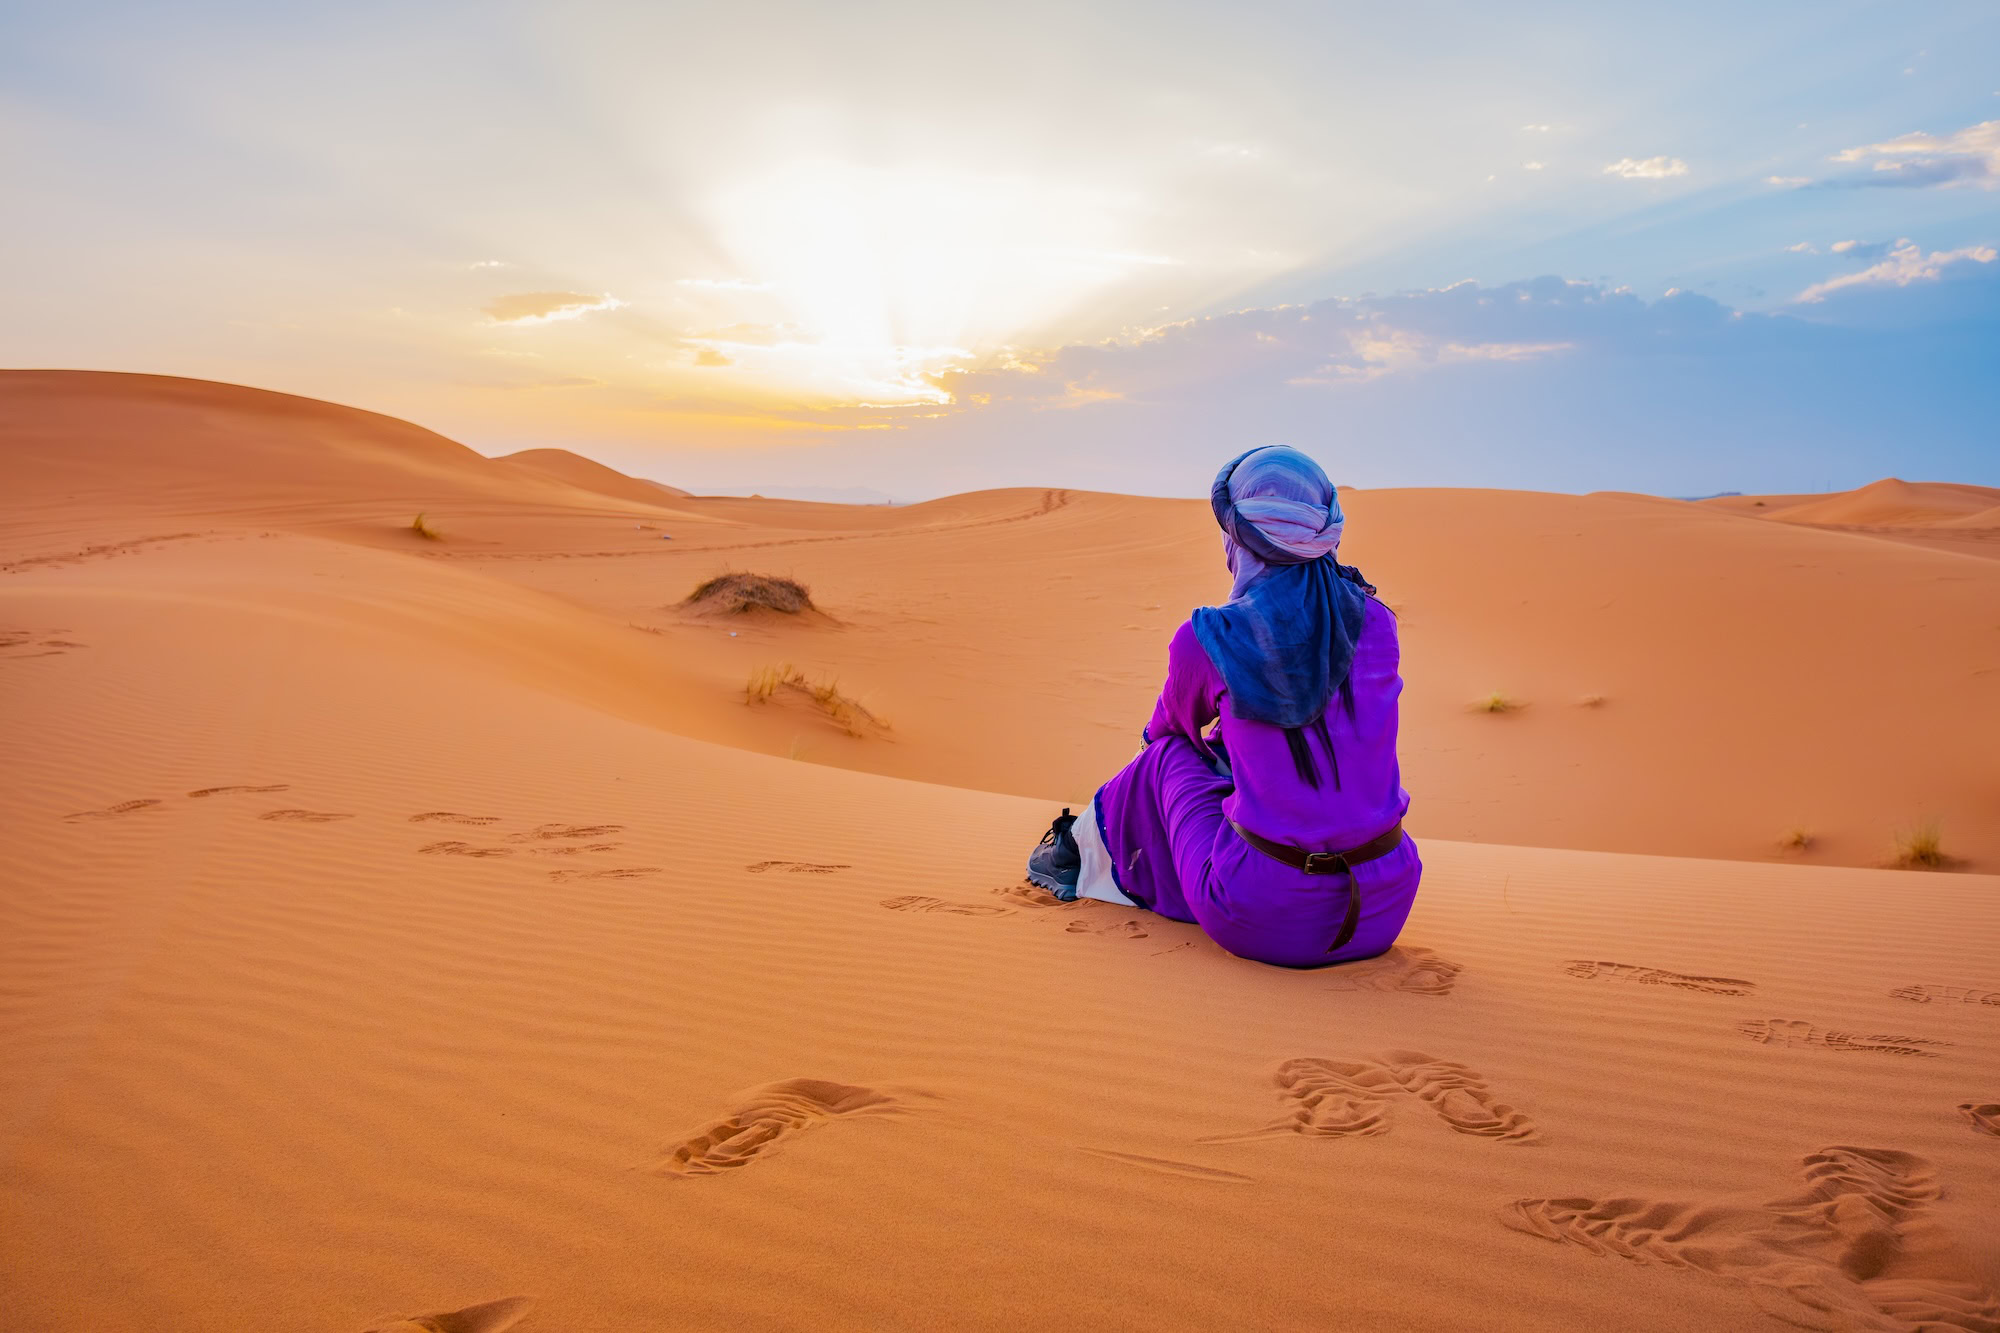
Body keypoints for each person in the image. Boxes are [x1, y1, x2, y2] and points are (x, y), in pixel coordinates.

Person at [1026, 446, 1420, 968]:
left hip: (1264, 914)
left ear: (1238, 536)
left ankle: (1078, 854)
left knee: (1166, 758)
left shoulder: (1210, 637)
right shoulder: (1377, 621)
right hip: (1386, 905)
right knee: (1231, 754)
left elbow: (1166, 732)